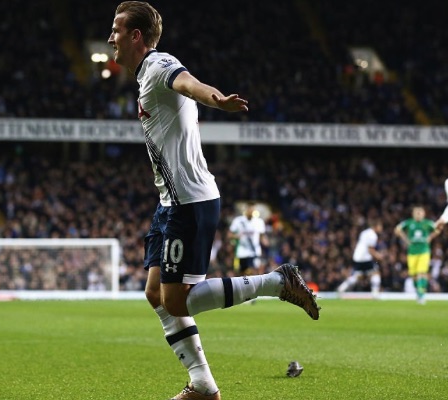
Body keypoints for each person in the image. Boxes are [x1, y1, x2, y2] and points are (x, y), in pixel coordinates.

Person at [107, 3, 320, 399]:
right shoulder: (143, 76)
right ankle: (202, 384)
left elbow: (187, 83)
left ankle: (277, 282)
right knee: (156, 293)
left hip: (190, 200)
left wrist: (216, 98)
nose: (110, 37)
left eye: (117, 30)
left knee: (175, 299)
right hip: (170, 202)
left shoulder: (158, 65)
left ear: (136, 36)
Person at [394, 206, 441, 305]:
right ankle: (419, 291)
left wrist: (430, 237)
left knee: (421, 272)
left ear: (424, 214)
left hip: (424, 251)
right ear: (413, 214)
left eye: (420, 212)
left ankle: (421, 295)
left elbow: (438, 229)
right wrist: (406, 239)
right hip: (412, 252)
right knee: (414, 275)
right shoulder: (409, 222)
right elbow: (397, 229)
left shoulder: (427, 223)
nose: (418, 214)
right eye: (417, 212)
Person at [337, 219, 384, 298]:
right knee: (376, 273)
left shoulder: (365, 232)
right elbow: (370, 250)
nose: (381, 228)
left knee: (358, 275)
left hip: (357, 256)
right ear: (376, 226)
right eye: (380, 226)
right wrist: (378, 256)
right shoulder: (373, 236)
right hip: (365, 257)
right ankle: (375, 293)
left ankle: (342, 288)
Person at [228, 202, 268, 276]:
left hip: (254, 251)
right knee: (242, 274)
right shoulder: (238, 221)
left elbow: (262, 236)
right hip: (242, 252)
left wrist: (265, 242)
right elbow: (229, 235)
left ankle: (256, 287)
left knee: (254, 272)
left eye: (253, 209)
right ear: (246, 209)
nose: (251, 210)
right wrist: (236, 236)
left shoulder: (259, 222)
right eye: (250, 208)